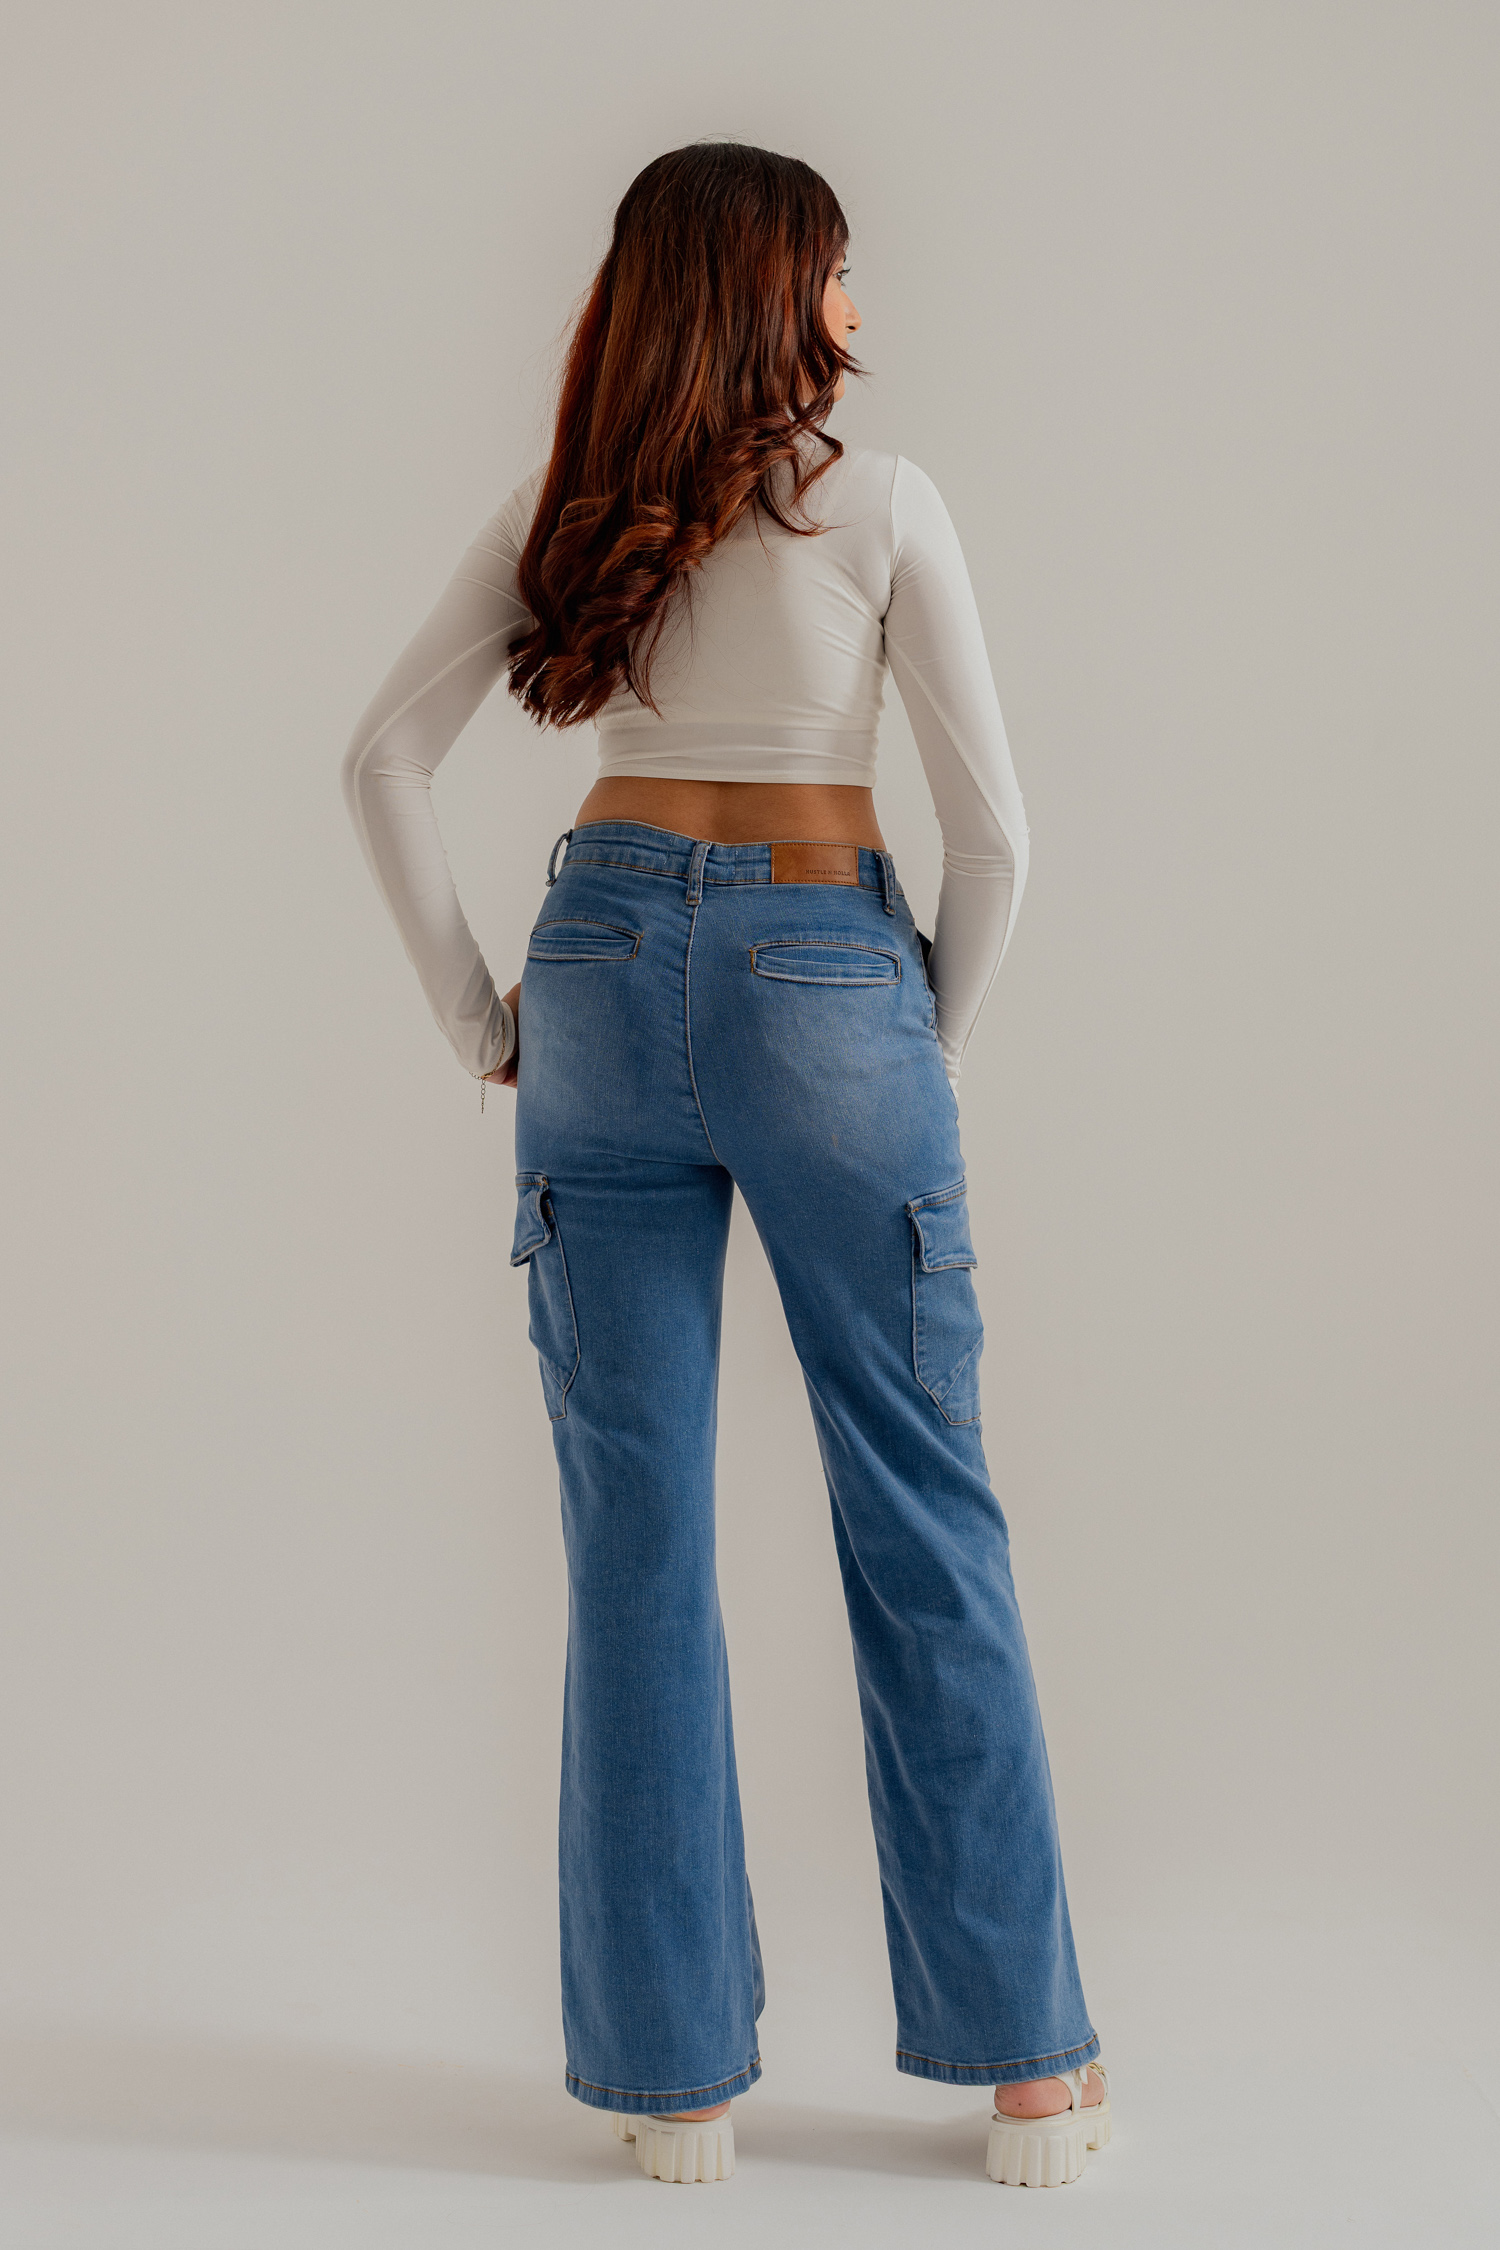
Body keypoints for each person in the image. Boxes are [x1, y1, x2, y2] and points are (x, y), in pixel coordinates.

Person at [342, 140, 1108, 2189]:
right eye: (841, 270)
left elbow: (379, 758)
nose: (862, 306)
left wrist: (482, 1022)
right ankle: (1033, 2077)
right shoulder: (887, 500)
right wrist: (914, 1041)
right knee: (922, 1506)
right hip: (825, 961)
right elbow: (999, 838)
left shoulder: (565, 508)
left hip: (593, 962)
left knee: (635, 1541)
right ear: (773, 289)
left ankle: (672, 2084)